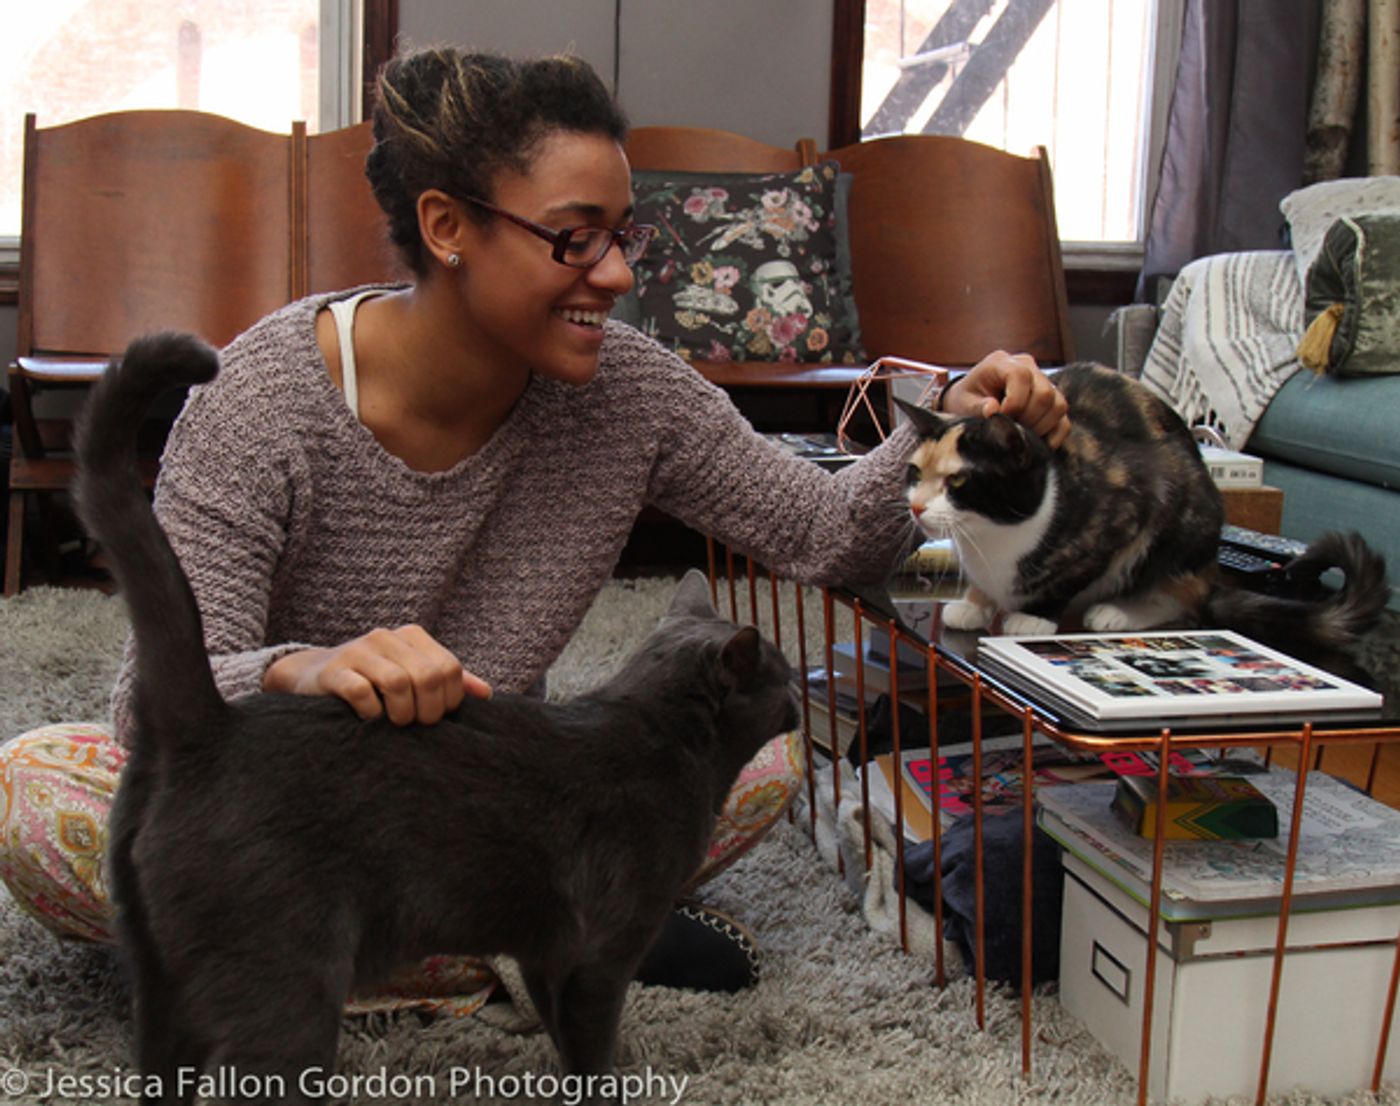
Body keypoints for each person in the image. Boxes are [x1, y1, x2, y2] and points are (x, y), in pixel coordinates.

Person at [0, 48, 1069, 1011]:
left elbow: (831, 532)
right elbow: (150, 708)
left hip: (484, 817)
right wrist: (304, 669)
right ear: (446, 226)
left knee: (753, 760)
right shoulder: (257, 403)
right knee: (36, 796)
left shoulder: (631, 395)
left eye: (622, 236)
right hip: (289, 811)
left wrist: (958, 428)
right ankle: (518, 942)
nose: (614, 274)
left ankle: (387, 951)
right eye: (574, 237)